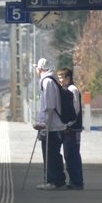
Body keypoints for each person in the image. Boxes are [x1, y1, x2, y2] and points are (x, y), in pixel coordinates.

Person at [33, 58, 67, 190]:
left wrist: (43, 125)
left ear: (40, 68)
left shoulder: (47, 82)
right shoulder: (50, 81)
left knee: (50, 155)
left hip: (52, 127)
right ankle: (59, 181)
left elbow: (49, 106)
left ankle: (51, 181)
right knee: (54, 154)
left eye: (37, 67)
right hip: (53, 126)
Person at [57, 66, 84, 190]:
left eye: (61, 78)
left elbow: (76, 109)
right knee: (68, 155)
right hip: (69, 127)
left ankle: (77, 181)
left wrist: (69, 124)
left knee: (72, 154)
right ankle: (73, 180)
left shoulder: (72, 90)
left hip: (73, 128)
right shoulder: (67, 89)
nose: (60, 80)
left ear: (68, 78)